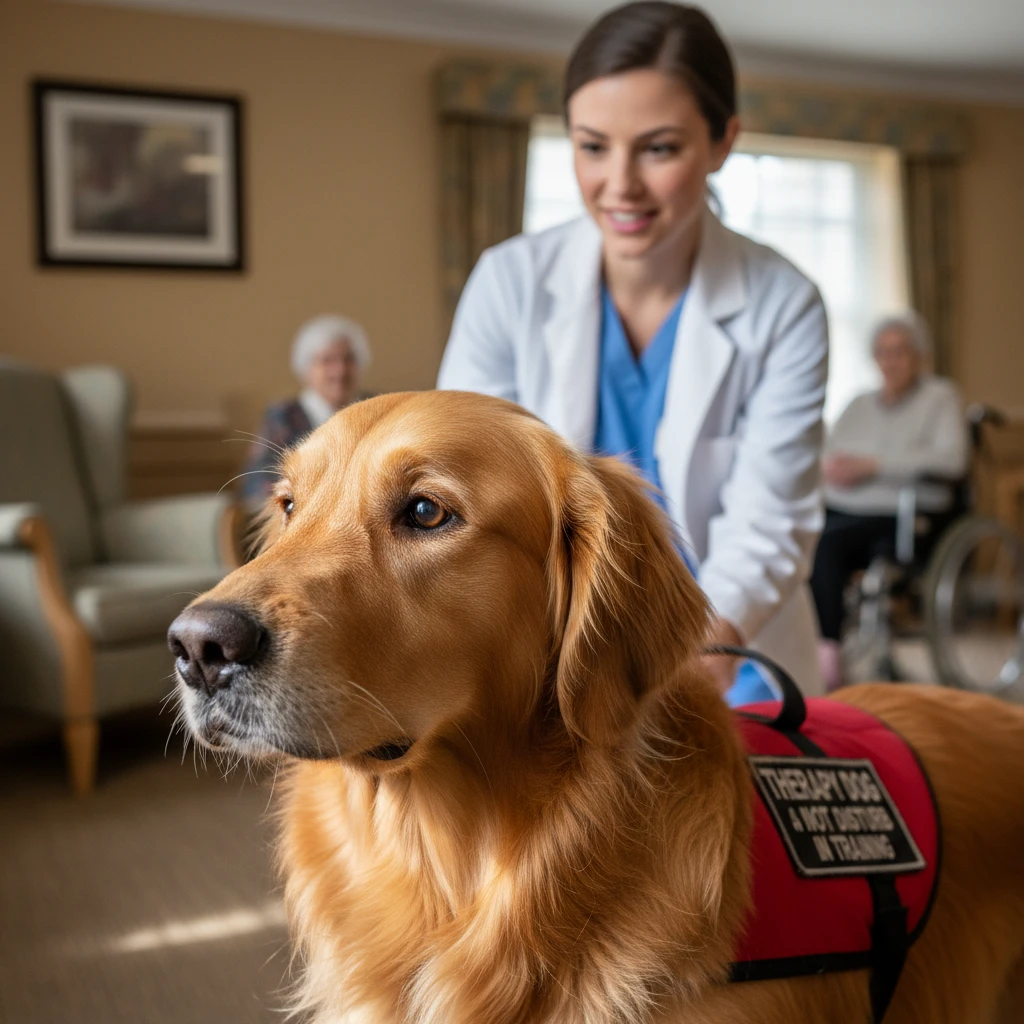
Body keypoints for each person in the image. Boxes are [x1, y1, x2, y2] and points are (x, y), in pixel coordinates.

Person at [437, 0, 829, 699]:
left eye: (659, 148)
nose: (620, 183)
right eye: (593, 146)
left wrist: (704, 647)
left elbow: (770, 519)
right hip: (551, 641)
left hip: (730, 636)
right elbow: (463, 480)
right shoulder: (510, 283)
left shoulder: (783, 303)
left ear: (721, 142)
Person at [811, 312, 967, 689]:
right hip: (843, 505)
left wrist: (873, 466)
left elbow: (953, 460)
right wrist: (835, 468)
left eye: (900, 351)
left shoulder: (940, 397)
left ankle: (828, 652)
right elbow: (826, 453)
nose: (891, 361)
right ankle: (809, 644)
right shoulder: (859, 404)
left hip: (903, 512)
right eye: (883, 352)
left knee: (828, 543)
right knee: (802, 536)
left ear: (919, 355)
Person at [240, 315, 371, 508]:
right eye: (327, 360)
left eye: (348, 359)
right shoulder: (283, 416)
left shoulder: (374, 407)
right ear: (307, 369)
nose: (340, 370)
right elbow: (256, 483)